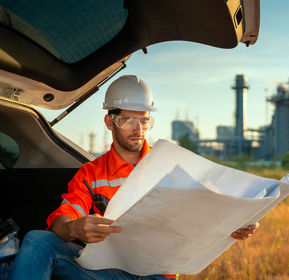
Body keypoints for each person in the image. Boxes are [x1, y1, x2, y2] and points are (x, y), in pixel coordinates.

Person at [9, 75, 259, 280]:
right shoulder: (91, 174)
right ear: (110, 121)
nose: (137, 129)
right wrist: (75, 227)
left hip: (157, 276)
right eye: (127, 119)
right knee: (37, 241)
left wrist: (233, 224)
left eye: (144, 121)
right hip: (106, 273)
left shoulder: (172, 167)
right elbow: (63, 218)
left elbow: (203, 212)